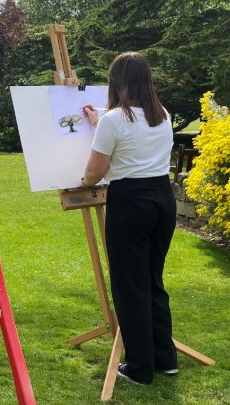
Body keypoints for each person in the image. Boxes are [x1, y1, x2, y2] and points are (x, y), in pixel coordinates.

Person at [80, 52, 177, 386]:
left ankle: (139, 367)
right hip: (163, 200)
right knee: (151, 280)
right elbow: (126, 132)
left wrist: (81, 183)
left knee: (129, 285)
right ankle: (165, 358)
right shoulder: (161, 115)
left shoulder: (114, 120)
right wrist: (98, 122)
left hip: (131, 203)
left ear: (117, 82)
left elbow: (94, 173)